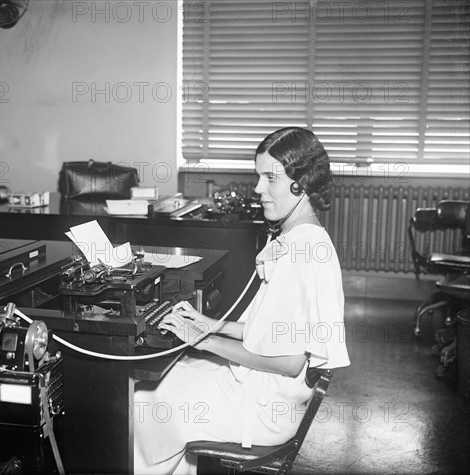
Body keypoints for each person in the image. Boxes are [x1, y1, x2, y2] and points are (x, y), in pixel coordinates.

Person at [133, 127, 351, 475]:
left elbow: (289, 361)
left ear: (303, 183)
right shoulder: (304, 238)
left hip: (265, 409)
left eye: (270, 178)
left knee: (144, 398)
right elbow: (273, 331)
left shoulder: (302, 252)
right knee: (175, 375)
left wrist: (204, 341)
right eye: (258, 176)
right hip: (273, 395)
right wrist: (212, 325)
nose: (258, 188)